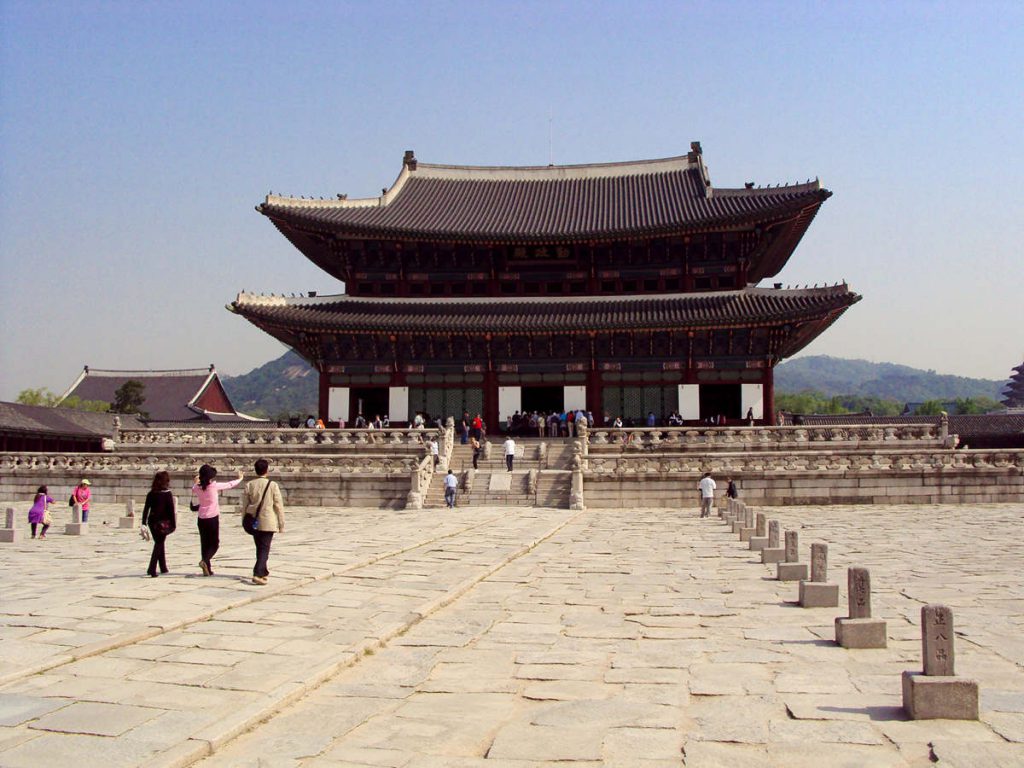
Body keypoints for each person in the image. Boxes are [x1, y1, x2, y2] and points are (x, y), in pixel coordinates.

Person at [192, 464, 243, 576]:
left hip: (201, 518)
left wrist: (196, 481)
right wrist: (240, 478)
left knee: (204, 543)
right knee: (215, 544)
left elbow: (194, 488)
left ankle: (207, 569)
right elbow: (229, 484)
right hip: (212, 518)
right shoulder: (214, 486)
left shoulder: (197, 487)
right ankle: (205, 561)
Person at [241, 458, 285, 586]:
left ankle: (264, 571)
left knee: (260, 547)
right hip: (268, 521)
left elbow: (244, 505)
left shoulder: (249, 485)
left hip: (254, 521)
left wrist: (244, 520)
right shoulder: (273, 485)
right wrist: (281, 524)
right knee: (264, 549)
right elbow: (278, 506)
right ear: (267, 470)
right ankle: (258, 573)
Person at [141, 470, 176, 577]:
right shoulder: (167, 494)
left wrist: (143, 523)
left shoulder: (151, 493)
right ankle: (151, 568)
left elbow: (146, 509)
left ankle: (163, 567)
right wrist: (173, 524)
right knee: (159, 543)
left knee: (159, 542)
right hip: (162, 523)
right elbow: (171, 510)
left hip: (152, 522)